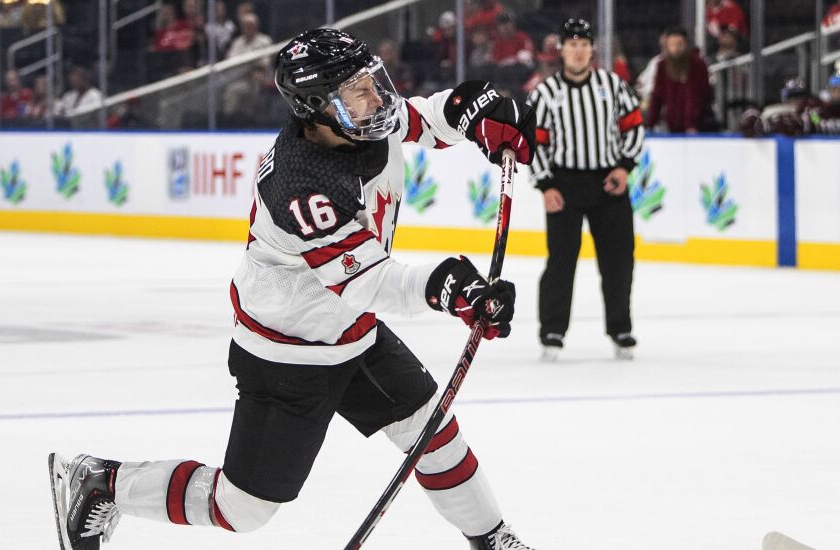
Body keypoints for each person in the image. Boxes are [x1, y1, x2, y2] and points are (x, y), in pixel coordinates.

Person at [49, 27, 539, 550]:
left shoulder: (359, 120)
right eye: (359, 90)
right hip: (287, 353)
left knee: (434, 434)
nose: (378, 98)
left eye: (373, 81)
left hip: (352, 332)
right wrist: (451, 287)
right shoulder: (302, 186)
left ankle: (492, 539)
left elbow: (425, 119)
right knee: (242, 508)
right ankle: (102, 482)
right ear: (316, 107)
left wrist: (474, 112)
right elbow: (366, 281)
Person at [527, 18, 645, 360]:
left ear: (592, 49)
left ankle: (620, 328)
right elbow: (534, 143)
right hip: (564, 185)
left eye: (583, 45)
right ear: (561, 50)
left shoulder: (613, 86)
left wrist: (624, 167)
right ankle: (552, 330)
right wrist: (546, 184)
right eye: (572, 45)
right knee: (561, 261)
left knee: (619, 260)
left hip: (609, 183)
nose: (578, 51)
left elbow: (634, 126)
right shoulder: (545, 93)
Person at [645, 26, 714, 133]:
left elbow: (701, 97)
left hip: (698, 127)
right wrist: (649, 126)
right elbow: (657, 98)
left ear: (686, 45)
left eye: (679, 44)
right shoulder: (662, 66)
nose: (676, 48)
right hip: (672, 126)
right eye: (672, 45)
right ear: (666, 46)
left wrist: (691, 124)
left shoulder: (698, 65)